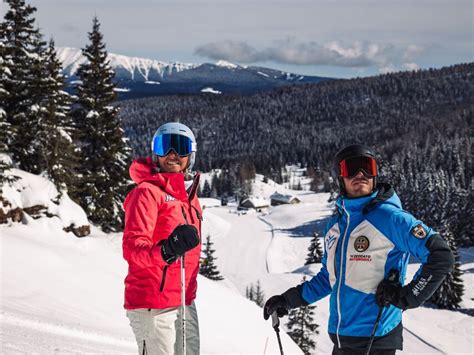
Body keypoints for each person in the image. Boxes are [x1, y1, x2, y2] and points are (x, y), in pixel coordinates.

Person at [263, 144, 454, 355]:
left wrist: (408, 296)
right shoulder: (335, 226)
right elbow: (329, 278)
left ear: (375, 174)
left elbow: (440, 255)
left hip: (376, 339)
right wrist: (288, 300)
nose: (360, 175)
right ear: (341, 179)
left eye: (367, 167)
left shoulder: (390, 218)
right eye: (350, 169)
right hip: (341, 341)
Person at [122, 122, 203, 355]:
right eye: (165, 146)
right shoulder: (146, 193)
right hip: (153, 302)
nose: (172, 155)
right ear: (155, 152)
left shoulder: (189, 198)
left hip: (184, 299)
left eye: (180, 147)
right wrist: (166, 250)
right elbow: (132, 248)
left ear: (192, 154)